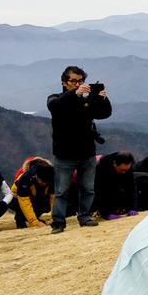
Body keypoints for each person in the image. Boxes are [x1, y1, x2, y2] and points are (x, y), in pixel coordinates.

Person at [47, 66, 112, 234]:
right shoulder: (55, 98)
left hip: (87, 152)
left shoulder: (86, 101)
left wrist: (103, 99)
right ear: (64, 82)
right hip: (65, 154)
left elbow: (104, 114)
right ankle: (58, 222)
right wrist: (75, 94)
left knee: (88, 188)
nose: (77, 84)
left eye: (80, 81)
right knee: (61, 191)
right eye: (73, 81)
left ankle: (85, 216)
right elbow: (56, 107)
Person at [92, 151, 138, 220]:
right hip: (102, 186)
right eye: (122, 170)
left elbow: (131, 188)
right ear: (115, 164)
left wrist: (133, 208)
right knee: (110, 189)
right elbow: (100, 191)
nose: (124, 172)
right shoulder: (102, 167)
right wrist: (105, 213)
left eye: (126, 170)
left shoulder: (127, 167)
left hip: (115, 183)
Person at [10, 158, 55, 228]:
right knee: (20, 206)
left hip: (35, 197)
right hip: (15, 198)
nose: (44, 184)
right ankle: (20, 218)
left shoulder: (52, 177)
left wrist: (54, 218)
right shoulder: (25, 179)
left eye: (46, 182)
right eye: (42, 182)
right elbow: (25, 204)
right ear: (36, 176)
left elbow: (53, 199)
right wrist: (35, 222)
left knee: (46, 205)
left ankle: (34, 217)